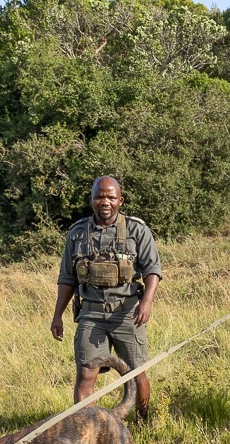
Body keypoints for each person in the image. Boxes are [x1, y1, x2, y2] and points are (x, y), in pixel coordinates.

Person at [51, 176, 162, 421]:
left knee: (136, 373)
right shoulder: (77, 233)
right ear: (91, 199)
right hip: (91, 314)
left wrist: (147, 303)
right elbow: (67, 277)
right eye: (100, 196)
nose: (105, 201)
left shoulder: (136, 229)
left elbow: (153, 269)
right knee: (86, 372)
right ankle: (88, 429)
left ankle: (142, 421)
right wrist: (57, 315)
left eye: (111, 197)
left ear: (120, 200)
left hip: (127, 313)